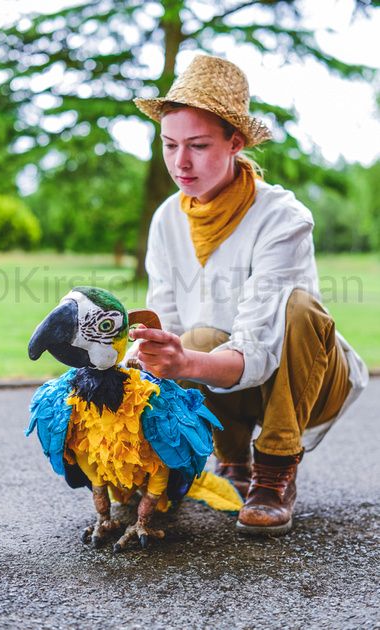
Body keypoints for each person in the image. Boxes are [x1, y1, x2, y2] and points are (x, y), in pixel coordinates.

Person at [127, 54, 369, 536]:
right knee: (191, 335)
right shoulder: (166, 220)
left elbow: (258, 349)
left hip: (306, 381)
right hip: (225, 381)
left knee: (300, 309)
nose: (181, 162)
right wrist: (147, 360)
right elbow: (171, 331)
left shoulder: (283, 217)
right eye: (170, 144)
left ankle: (275, 471)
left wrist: (184, 362)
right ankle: (230, 458)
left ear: (235, 142)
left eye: (197, 145)